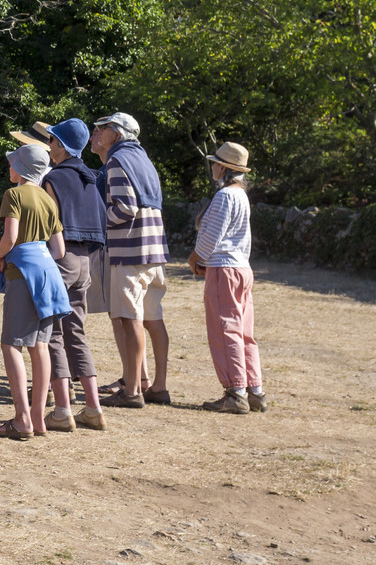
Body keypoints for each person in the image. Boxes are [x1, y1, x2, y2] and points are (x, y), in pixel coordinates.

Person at [0, 143, 69, 440]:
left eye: (12, 162)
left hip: (24, 275)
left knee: (12, 345)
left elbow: (11, 236)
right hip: (49, 275)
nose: (9, 167)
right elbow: (59, 250)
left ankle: (21, 419)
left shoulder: (14, 194)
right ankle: (37, 418)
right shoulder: (48, 199)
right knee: (40, 346)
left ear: (20, 167)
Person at [90, 112, 172, 409]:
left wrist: (95, 222)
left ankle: (133, 390)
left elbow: (124, 208)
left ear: (119, 134)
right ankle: (158, 387)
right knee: (153, 319)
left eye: (104, 128)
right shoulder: (143, 159)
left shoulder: (117, 160)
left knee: (129, 318)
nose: (97, 132)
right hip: (154, 251)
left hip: (129, 251)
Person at [40, 118, 107, 431]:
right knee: (76, 332)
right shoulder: (91, 177)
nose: (49, 147)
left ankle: (63, 409)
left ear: (62, 146)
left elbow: (48, 223)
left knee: (53, 332)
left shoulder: (54, 178)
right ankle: (93, 408)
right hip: (85, 261)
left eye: (52, 141)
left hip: (61, 256)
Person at [190, 142, 266, 415]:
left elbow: (212, 236)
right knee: (244, 332)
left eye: (215, 162)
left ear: (224, 168)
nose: (212, 166)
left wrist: (195, 259)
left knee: (225, 331)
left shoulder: (225, 197)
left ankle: (235, 392)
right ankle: (254, 390)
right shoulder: (241, 195)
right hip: (241, 268)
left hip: (225, 269)